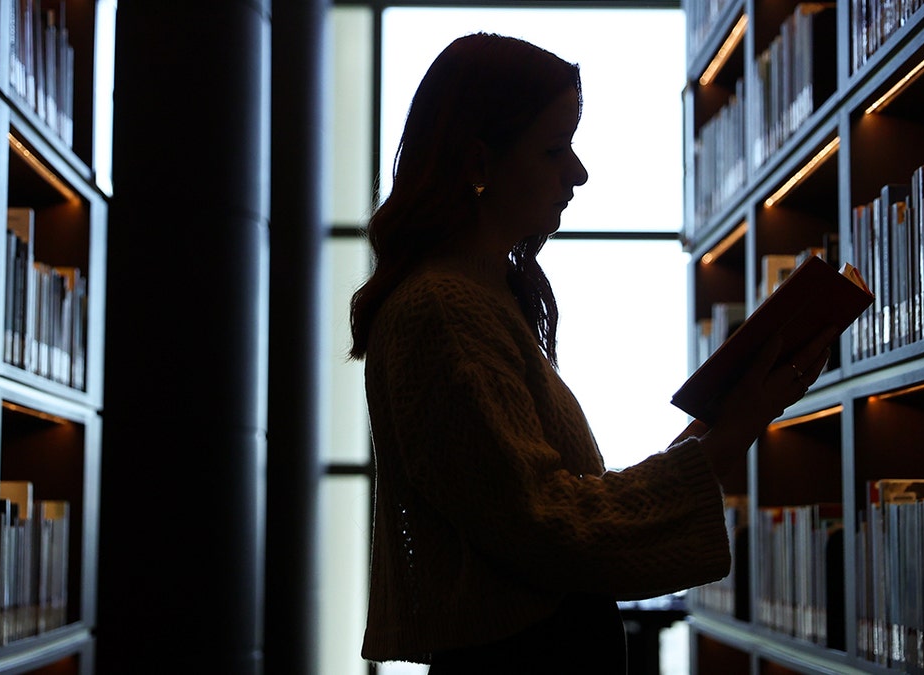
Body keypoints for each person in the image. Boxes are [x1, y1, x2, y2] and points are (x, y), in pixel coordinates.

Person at [348, 32, 830, 674]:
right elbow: (549, 524)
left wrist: (720, 428)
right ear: (478, 165)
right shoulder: (445, 310)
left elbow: (547, 507)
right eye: (554, 149)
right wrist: (725, 438)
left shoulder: (480, 297)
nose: (577, 173)